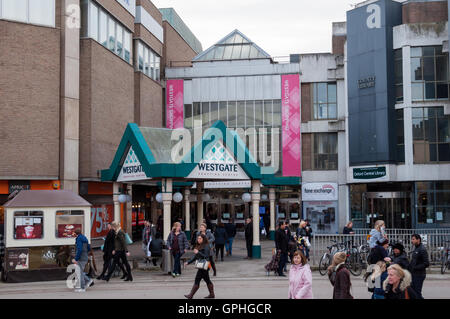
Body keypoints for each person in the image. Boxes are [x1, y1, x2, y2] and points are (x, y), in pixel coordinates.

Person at [184, 234, 215, 299]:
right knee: (207, 280)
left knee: (197, 279)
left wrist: (198, 252)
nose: (198, 240)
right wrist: (188, 262)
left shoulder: (206, 246)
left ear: (203, 239)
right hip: (202, 265)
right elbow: (196, 257)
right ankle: (212, 294)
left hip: (205, 265)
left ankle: (191, 295)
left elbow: (205, 256)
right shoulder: (200, 246)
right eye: (198, 238)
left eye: (200, 238)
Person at [408, 234, 429, 299]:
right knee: (413, 292)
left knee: (417, 293)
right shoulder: (416, 248)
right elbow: (414, 260)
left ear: (418, 240)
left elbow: (426, 263)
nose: (412, 241)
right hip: (414, 274)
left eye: (413, 239)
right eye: (412, 239)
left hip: (419, 275)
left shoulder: (422, 249)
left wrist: (415, 267)